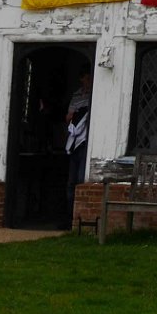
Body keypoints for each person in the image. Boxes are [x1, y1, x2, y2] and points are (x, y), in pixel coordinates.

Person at [64, 70, 92, 228]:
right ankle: (69, 218)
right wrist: (75, 115)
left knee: (81, 180)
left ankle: (80, 220)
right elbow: (68, 117)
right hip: (74, 142)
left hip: (86, 142)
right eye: (86, 78)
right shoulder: (76, 95)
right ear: (81, 79)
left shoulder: (94, 93)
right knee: (71, 182)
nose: (88, 81)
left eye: (90, 78)